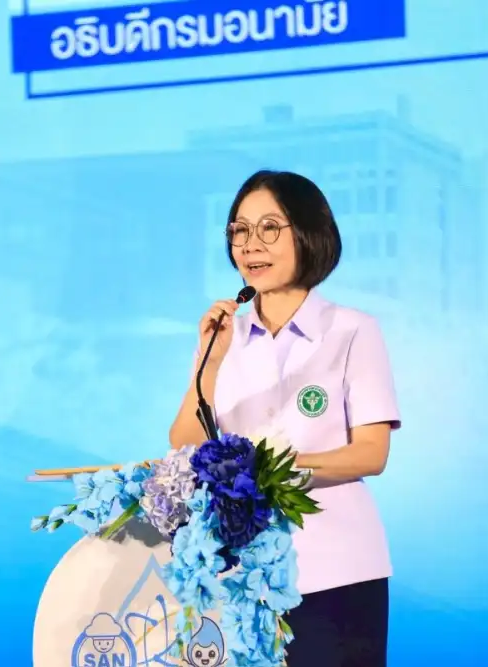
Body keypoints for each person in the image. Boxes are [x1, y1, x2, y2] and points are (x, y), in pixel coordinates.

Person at [169, 170, 400, 667]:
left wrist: (273, 470)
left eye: (270, 227)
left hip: (338, 569)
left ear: (309, 234)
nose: (251, 244)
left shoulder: (352, 330)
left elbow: (372, 453)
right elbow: (185, 445)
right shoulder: (222, 335)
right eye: (240, 230)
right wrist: (210, 361)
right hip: (242, 572)